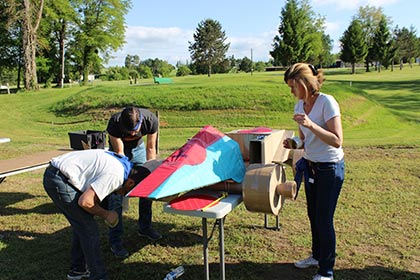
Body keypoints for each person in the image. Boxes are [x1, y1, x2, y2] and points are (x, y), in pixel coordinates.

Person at [43, 149, 150, 280]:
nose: (125, 195)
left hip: (59, 172)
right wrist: (106, 214)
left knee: (82, 223)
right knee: (89, 230)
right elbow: (85, 202)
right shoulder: (115, 176)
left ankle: (77, 270)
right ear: (130, 183)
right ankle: (98, 276)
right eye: (129, 193)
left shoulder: (124, 165)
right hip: (59, 179)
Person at [283, 63, 345, 280]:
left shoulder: (327, 102)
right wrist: (294, 143)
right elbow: (305, 141)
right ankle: (317, 256)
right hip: (311, 165)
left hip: (330, 167)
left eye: (293, 87)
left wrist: (310, 125)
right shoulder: (300, 106)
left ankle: (326, 271)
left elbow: (337, 140)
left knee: (324, 219)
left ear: (304, 84)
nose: (291, 92)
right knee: (313, 216)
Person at [106, 106, 161, 259]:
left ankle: (145, 227)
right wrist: (125, 180)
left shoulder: (150, 120)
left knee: (146, 188)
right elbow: (120, 154)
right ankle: (115, 241)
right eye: (128, 131)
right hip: (119, 153)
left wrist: (150, 171)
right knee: (117, 194)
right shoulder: (114, 123)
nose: (132, 133)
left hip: (140, 150)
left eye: (135, 130)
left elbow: (151, 148)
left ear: (141, 122)